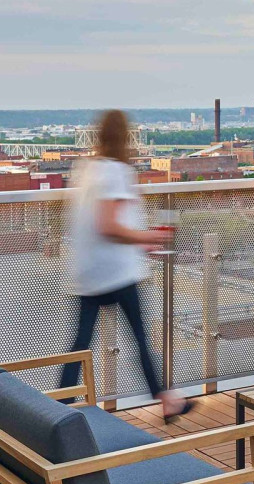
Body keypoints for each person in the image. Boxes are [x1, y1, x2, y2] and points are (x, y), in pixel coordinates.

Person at [60, 110, 192, 421]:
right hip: (114, 272)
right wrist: (148, 237)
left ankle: (59, 409)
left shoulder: (87, 169)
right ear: (125, 136)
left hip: (88, 270)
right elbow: (109, 225)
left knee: (81, 343)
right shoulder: (114, 172)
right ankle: (167, 400)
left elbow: (97, 224)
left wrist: (139, 242)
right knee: (140, 338)